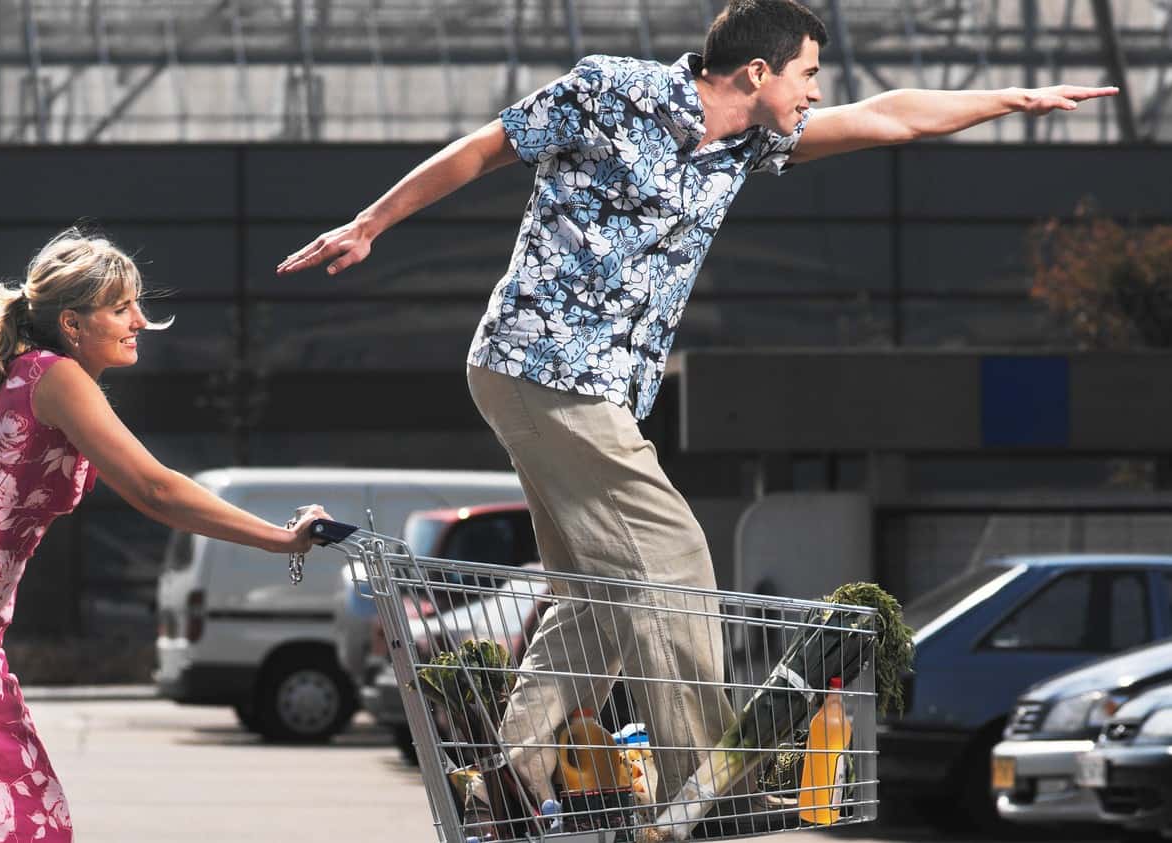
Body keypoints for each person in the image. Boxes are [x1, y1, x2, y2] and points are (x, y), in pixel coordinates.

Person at [276, 0, 1115, 827]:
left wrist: (1011, 99)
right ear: (757, 71)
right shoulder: (611, 90)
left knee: (596, 593)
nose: (815, 93)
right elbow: (485, 149)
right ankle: (705, 783)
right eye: (808, 74)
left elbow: (887, 118)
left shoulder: (752, 141)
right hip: (540, 365)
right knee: (673, 557)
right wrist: (372, 220)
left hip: (598, 391)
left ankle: (509, 778)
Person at [0, 228, 327, 843]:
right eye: (122, 308)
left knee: (2, 814)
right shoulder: (55, 376)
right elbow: (156, 489)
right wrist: (279, 541)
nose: (141, 321)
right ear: (73, 323)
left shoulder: (41, 375)